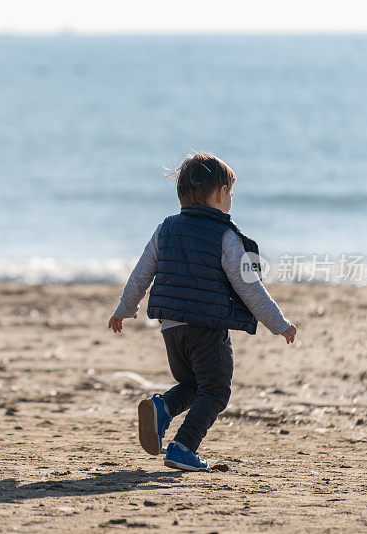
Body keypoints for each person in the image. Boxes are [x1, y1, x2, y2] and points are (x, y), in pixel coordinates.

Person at [108, 152, 297, 472]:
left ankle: (162, 408)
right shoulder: (225, 236)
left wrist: (124, 309)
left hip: (170, 327)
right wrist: (279, 324)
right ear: (222, 193)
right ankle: (183, 447)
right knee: (217, 390)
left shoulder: (165, 228)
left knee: (193, 385)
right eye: (231, 193)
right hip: (206, 328)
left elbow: (141, 272)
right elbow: (250, 288)